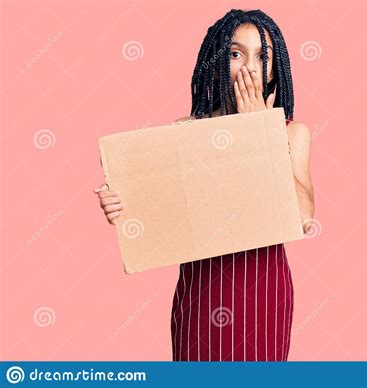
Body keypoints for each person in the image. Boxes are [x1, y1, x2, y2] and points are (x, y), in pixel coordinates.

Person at [94, 9, 314, 361]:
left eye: (263, 56)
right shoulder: (187, 131)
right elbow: (165, 218)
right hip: (203, 289)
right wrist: (123, 206)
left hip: (263, 289)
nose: (249, 67)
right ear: (216, 60)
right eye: (235, 53)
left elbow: (303, 217)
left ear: (275, 68)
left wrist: (261, 132)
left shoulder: (292, 132)